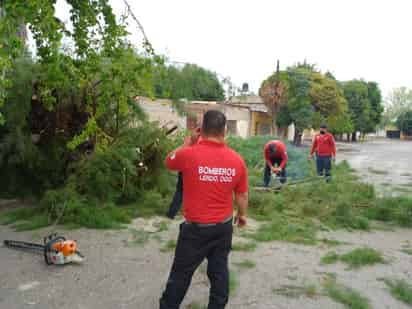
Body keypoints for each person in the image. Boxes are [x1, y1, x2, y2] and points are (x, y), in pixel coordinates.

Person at [160, 110, 249, 309]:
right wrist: (242, 215)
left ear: (201, 130)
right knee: (219, 273)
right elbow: (242, 195)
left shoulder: (188, 154)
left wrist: (188, 143)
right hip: (223, 228)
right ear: (225, 130)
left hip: (194, 231)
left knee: (181, 275)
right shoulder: (237, 160)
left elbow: (169, 161)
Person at [166, 127, 201, 219]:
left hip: (187, 167)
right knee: (183, 191)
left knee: (180, 191)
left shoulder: (190, 139)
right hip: (194, 168)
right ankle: (177, 212)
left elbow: (177, 153)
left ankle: (172, 213)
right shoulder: (203, 140)